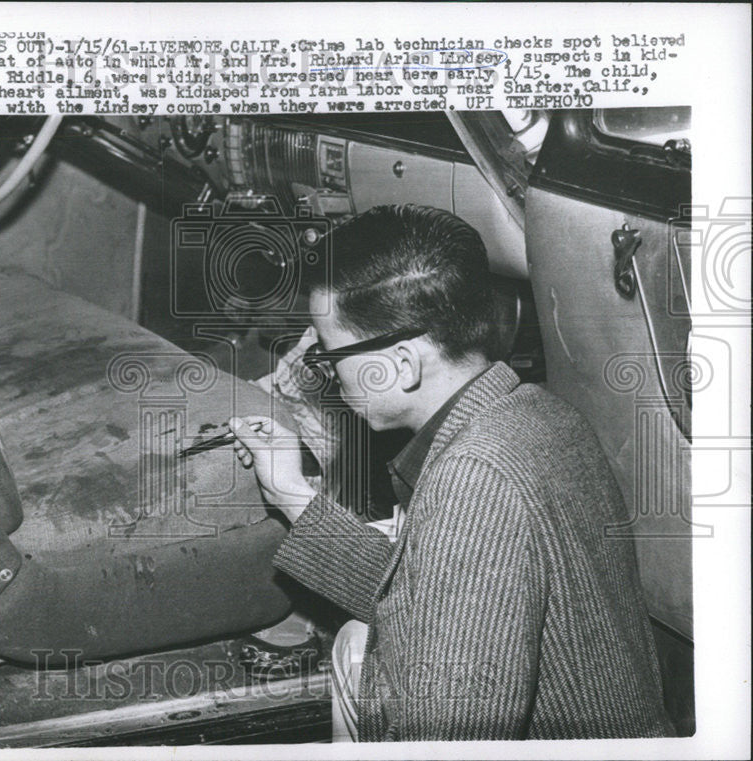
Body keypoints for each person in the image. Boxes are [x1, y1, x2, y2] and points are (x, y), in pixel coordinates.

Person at [228, 205, 673, 741]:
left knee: (359, 653)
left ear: (402, 364)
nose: (326, 373)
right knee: (354, 640)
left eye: (329, 354)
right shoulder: (538, 413)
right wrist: (292, 492)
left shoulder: (473, 480)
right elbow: (428, 593)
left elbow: (444, 739)